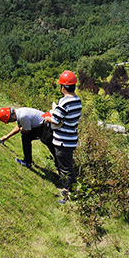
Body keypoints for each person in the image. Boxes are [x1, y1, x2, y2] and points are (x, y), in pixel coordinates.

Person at [43, 70, 82, 204]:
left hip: (63, 141)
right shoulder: (78, 101)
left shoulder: (64, 102)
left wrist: (48, 118)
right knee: (68, 165)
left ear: (63, 87)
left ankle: (69, 193)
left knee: (65, 169)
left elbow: (55, 120)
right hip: (71, 140)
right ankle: (71, 189)